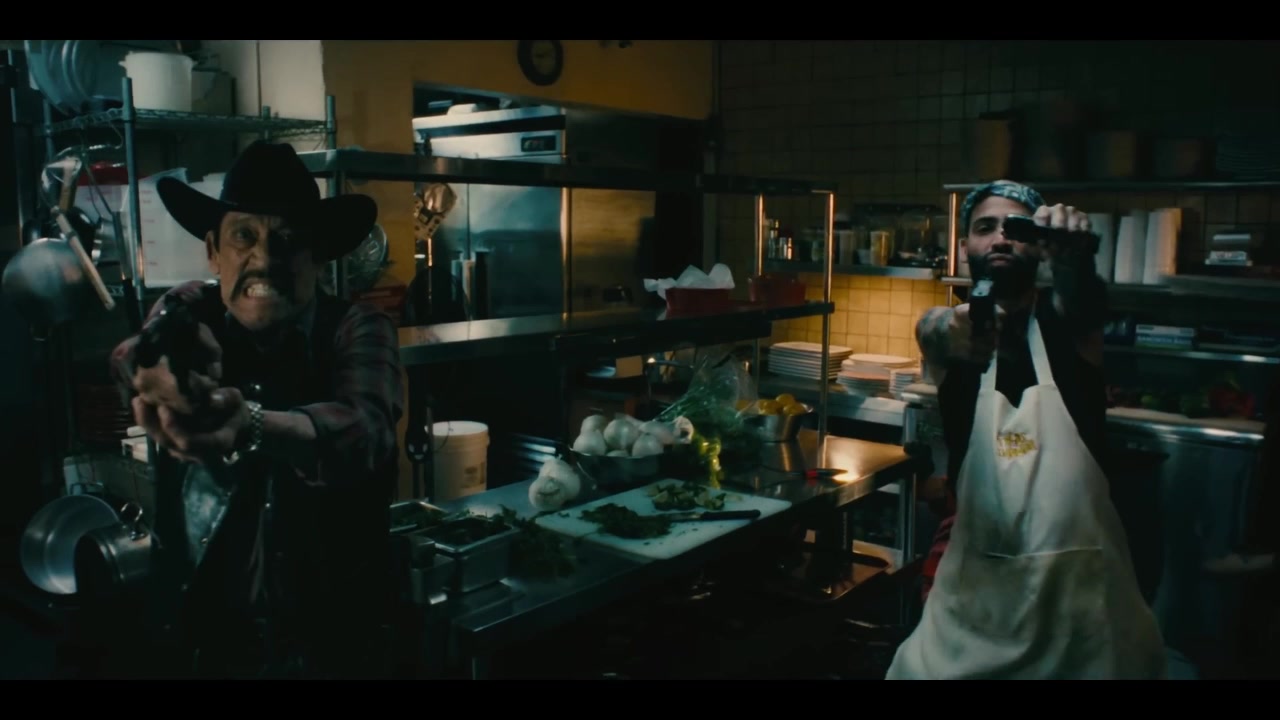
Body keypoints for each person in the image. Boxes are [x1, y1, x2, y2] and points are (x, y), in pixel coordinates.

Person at [107, 141, 405, 678]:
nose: (265, 259)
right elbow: (135, 354)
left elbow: (369, 430)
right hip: (198, 640)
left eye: (288, 240)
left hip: (334, 645)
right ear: (213, 251)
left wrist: (254, 424)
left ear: (318, 255)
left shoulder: (359, 328)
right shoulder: (188, 314)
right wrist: (155, 369)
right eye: (244, 236)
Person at [886, 180, 1167, 680]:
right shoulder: (956, 334)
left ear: (1037, 246)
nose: (1000, 238)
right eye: (985, 227)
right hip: (979, 600)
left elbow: (1083, 300)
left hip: (1081, 612)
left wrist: (1074, 259)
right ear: (964, 246)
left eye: (1015, 229)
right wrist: (943, 326)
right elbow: (931, 327)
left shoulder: (1071, 328)